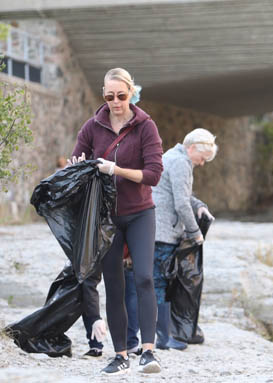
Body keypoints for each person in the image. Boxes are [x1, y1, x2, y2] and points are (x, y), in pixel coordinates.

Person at [69, 67, 163, 375]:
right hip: (106, 217)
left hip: (140, 213)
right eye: (109, 96)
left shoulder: (145, 126)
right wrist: (79, 166)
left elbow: (153, 175)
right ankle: (120, 354)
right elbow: (77, 162)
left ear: (131, 93)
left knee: (145, 277)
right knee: (114, 284)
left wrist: (115, 170)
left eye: (121, 95)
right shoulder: (92, 126)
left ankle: (148, 351)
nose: (115, 102)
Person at [151, 128, 217, 350]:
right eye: (202, 158)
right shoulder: (181, 163)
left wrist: (199, 207)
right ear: (191, 148)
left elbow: (184, 195)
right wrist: (194, 232)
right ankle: (162, 337)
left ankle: (160, 333)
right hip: (164, 233)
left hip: (156, 229)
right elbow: (180, 203)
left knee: (158, 281)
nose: (202, 163)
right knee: (160, 283)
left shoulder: (171, 156)